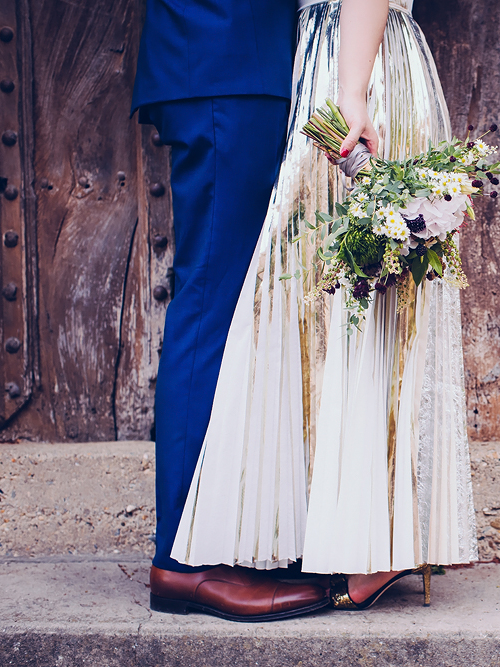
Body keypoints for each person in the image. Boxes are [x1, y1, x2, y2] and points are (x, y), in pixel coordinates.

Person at [163, 0, 478, 612]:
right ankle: (359, 535)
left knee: (358, 296)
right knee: (345, 297)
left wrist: (351, 90)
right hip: (333, 63)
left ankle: (373, 544)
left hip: (350, 67)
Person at [131, 0, 331, 621]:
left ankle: (214, 538)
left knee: (226, 299)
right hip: (224, 60)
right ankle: (185, 563)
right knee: (212, 300)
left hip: (232, 62)